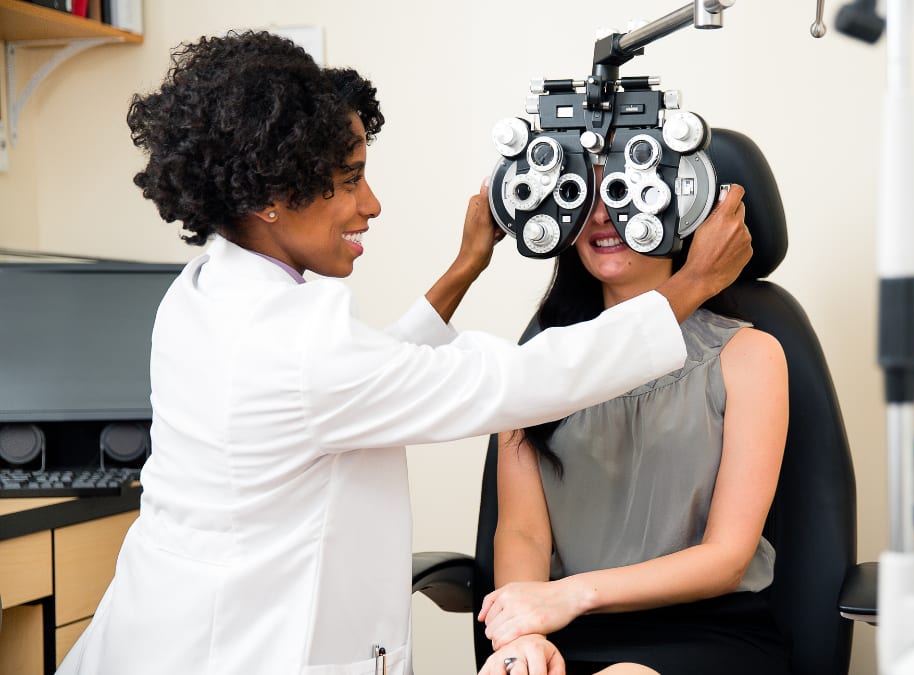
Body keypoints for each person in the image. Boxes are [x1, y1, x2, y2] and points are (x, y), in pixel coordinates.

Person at [56, 31, 753, 675]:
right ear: (274, 195)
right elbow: (504, 381)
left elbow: (363, 382)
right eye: (351, 178)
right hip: (246, 648)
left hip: (160, 629)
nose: (373, 204)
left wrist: (464, 267)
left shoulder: (206, 289)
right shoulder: (298, 347)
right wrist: (692, 284)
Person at [477, 167, 790, 675]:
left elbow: (727, 556)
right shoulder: (537, 366)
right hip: (565, 630)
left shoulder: (749, 356)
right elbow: (522, 534)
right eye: (584, 195)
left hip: (707, 633)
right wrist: (525, 633)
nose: (603, 213)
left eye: (625, 191)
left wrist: (568, 596)